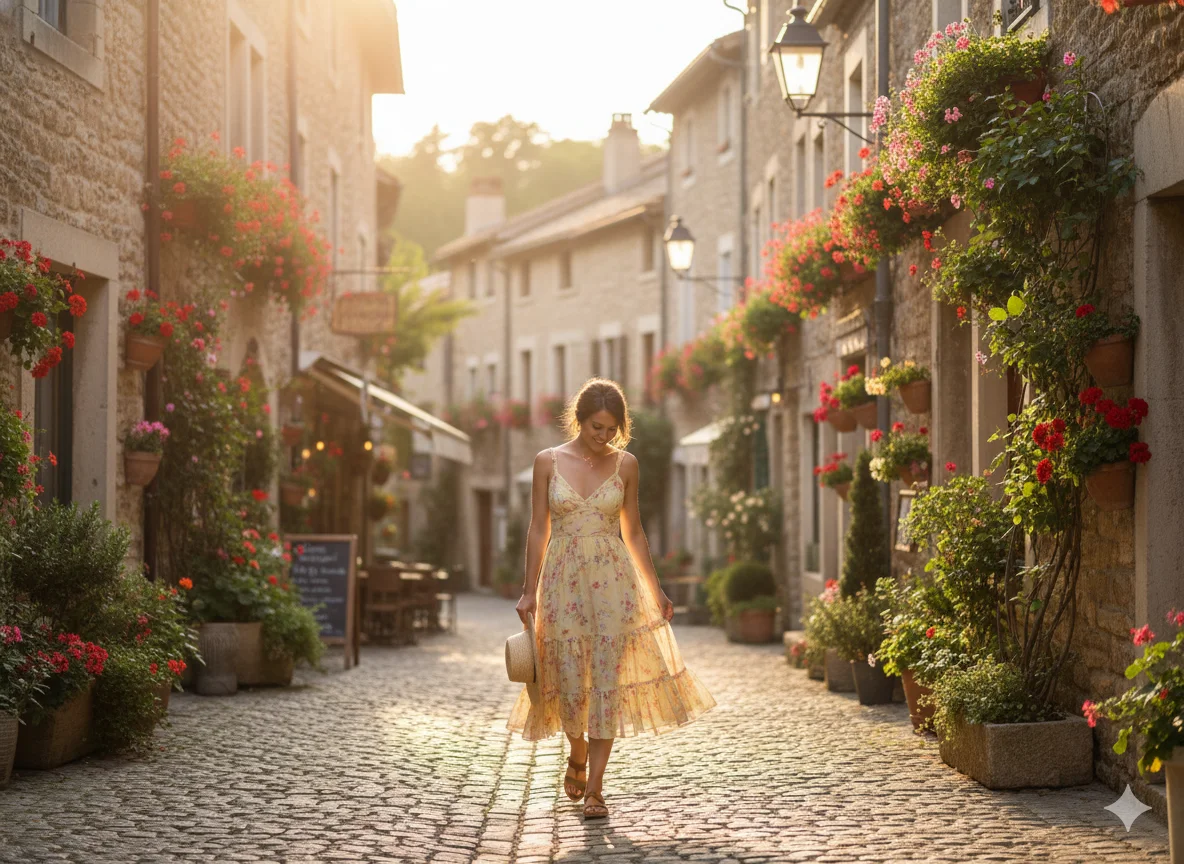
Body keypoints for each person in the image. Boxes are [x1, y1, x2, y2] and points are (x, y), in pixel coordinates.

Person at [506, 378, 716, 820]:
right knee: (566, 685)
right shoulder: (547, 461)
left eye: (610, 429)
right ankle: (576, 752)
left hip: (614, 587)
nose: (603, 437)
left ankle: (597, 789)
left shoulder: (627, 465)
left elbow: (633, 531)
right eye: (596, 427)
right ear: (579, 420)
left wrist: (655, 589)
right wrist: (528, 590)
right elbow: (539, 528)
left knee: (606, 684)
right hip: (561, 585)